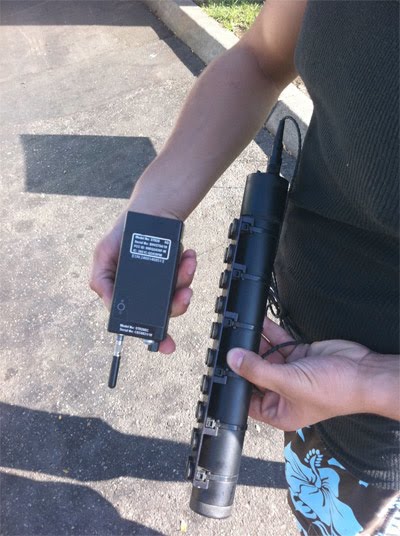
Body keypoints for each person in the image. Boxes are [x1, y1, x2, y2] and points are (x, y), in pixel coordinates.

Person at [90, 1, 399, 533]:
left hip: (381, 442)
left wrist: (372, 381)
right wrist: (155, 209)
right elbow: (262, 55)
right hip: (308, 371)